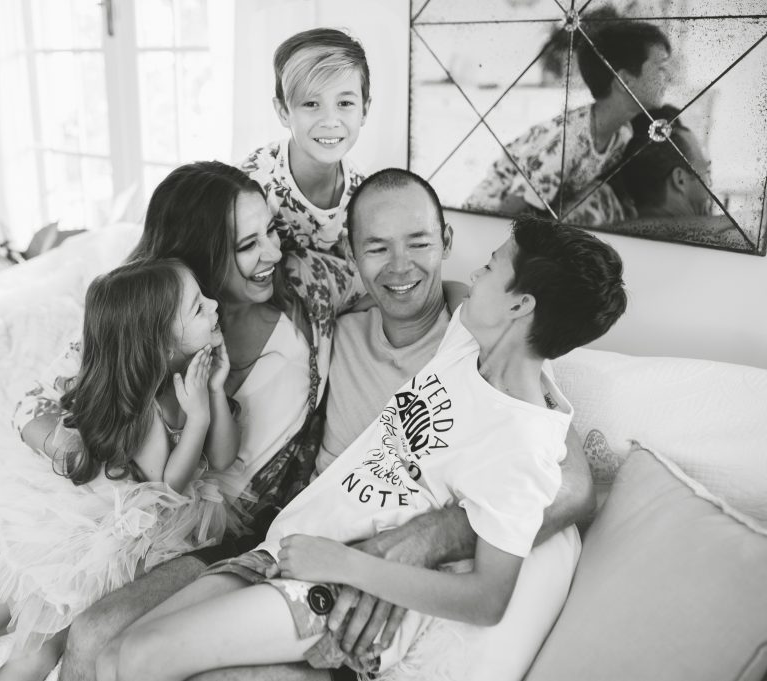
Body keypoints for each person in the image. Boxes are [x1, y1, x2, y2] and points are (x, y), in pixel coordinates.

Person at [60, 168, 595, 681]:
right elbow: (97, 364)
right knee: (96, 642)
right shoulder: (319, 316)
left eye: (420, 243)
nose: (400, 267)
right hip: (271, 534)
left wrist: (420, 543)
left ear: (446, 240)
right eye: (377, 247)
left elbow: (564, 481)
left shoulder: (476, 339)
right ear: (353, 258)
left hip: (325, 567)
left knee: (148, 659)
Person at [0, 259, 244, 681]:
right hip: (93, 531)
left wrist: (216, 391)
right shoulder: (146, 403)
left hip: (134, 535)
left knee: (34, 657)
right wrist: (197, 418)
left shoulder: (191, 375)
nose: (216, 305)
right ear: (162, 343)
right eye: (198, 307)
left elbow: (221, 460)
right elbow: (168, 486)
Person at [466, 21, 673, 226]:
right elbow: (508, 209)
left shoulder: (622, 134)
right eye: (661, 67)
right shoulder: (568, 140)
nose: (669, 77)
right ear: (625, 80)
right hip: (489, 214)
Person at [239, 28, 370, 260]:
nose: (330, 121)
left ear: (364, 110)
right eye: (310, 103)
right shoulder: (252, 183)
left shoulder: (365, 194)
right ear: (283, 112)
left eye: (345, 102)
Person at [618, 106, 712, 218]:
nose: (709, 183)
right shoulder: (705, 232)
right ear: (680, 179)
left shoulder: (614, 230)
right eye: (706, 171)